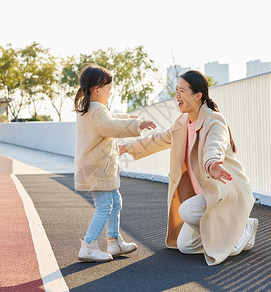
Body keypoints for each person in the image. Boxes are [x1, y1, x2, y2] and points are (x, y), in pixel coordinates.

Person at [119, 70, 258, 266]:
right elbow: (157, 139)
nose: (177, 95)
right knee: (185, 246)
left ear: (197, 95)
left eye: (182, 90)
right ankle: (227, 234)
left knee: (189, 213)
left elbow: (214, 145)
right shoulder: (182, 123)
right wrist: (126, 147)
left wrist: (212, 164)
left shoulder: (214, 120)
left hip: (223, 190)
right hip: (206, 195)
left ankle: (242, 228)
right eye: (176, 90)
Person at [74, 64, 156, 263]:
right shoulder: (95, 110)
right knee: (104, 206)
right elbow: (109, 125)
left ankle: (114, 241)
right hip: (98, 169)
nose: (111, 93)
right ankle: (89, 245)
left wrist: (128, 118)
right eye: (109, 89)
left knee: (115, 202)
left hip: (100, 169)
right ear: (97, 89)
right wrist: (137, 124)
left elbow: (109, 119)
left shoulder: (91, 108)